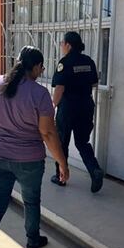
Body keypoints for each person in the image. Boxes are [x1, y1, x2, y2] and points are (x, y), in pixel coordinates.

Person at [0, 46, 70, 248]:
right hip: (29, 161)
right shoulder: (39, 94)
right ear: (35, 67)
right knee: (31, 201)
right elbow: (47, 133)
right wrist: (62, 163)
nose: (41, 71)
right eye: (41, 67)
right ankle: (33, 239)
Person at [50, 31, 105, 193]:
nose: (61, 46)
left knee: (62, 143)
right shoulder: (88, 61)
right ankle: (95, 170)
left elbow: (60, 87)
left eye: (62, 43)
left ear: (68, 45)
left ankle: (60, 178)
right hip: (86, 105)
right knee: (82, 142)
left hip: (68, 108)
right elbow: (94, 83)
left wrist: (52, 106)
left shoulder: (65, 62)